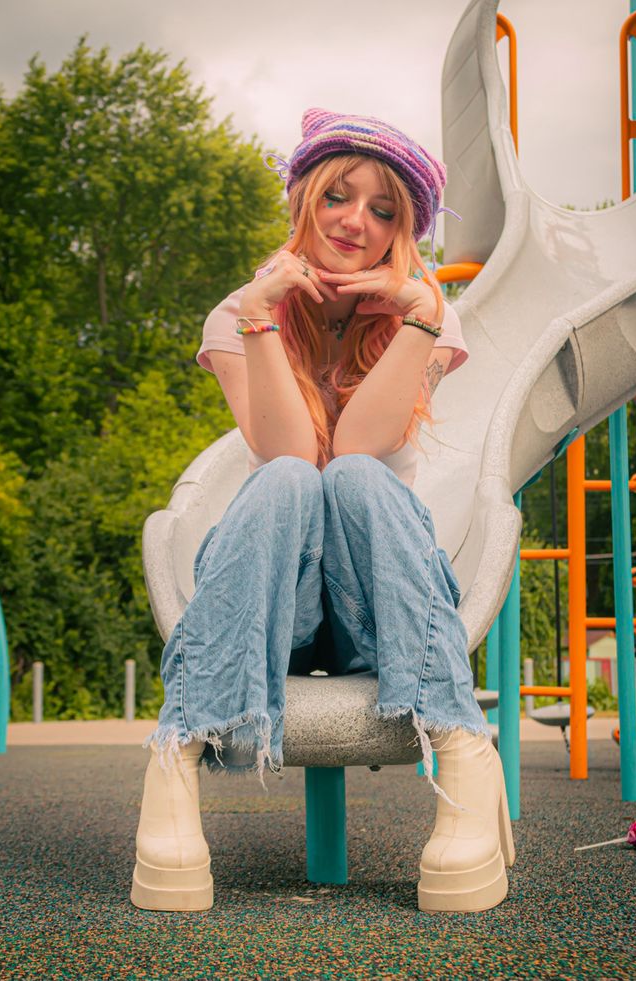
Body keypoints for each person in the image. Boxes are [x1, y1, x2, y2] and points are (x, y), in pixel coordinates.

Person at [130, 108, 515, 915]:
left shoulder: (427, 312)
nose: (356, 222)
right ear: (306, 197)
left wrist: (415, 314)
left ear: (401, 229)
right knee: (289, 482)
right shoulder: (238, 314)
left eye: (383, 210)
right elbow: (288, 454)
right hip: (279, 609)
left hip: (382, 609)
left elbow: (361, 448)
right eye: (340, 196)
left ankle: (463, 748)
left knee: (357, 480)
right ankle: (177, 753)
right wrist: (263, 319)